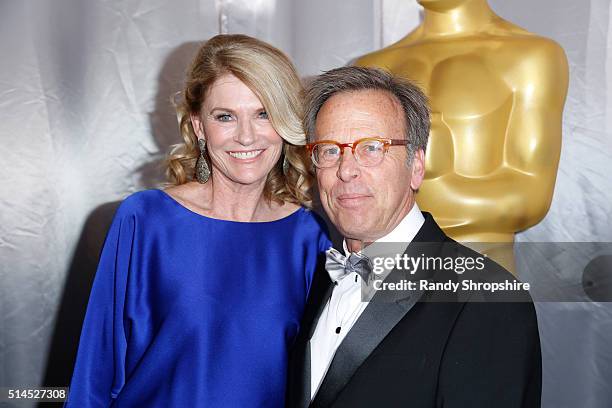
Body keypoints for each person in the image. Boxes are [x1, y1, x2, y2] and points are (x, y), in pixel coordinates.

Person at [65, 34, 330, 407]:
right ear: (199, 126)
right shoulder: (146, 220)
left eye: (263, 113)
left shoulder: (310, 238)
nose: (246, 136)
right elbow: (95, 371)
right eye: (225, 117)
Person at [286, 66, 541, 407]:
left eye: (372, 148)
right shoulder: (316, 278)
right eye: (330, 150)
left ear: (416, 166)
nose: (346, 170)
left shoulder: (489, 301)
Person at [356, 0, 569, 272]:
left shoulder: (530, 56)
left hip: (477, 272)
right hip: (386, 269)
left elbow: (530, 197)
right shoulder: (372, 67)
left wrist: (424, 179)